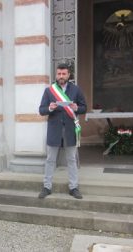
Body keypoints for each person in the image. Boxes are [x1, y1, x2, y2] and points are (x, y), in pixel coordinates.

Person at [38, 63, 87, 199]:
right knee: (50, 160)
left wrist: (76, 108)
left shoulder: (76, 90)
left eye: (63, 74)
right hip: (54, 131)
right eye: (59, 74)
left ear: (68, 75)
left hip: (70, 131)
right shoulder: (49, 91)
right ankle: (47, 187)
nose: (61, 76)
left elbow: (84, 108)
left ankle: (74, 187)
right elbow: (41, 110)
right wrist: (50, 108)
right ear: (56, 75)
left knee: (71, 159)